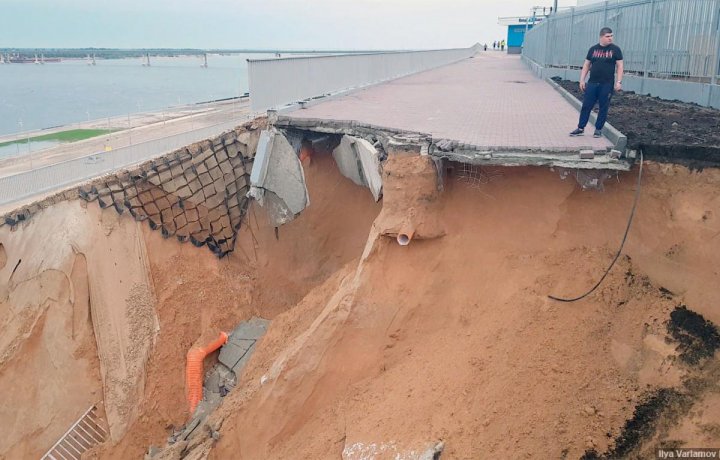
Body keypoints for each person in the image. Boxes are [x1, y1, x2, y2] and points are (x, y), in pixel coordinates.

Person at [570, 27, 624, 138]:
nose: (610, 38)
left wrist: (619, 81)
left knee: (603, 107)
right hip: (592, 83)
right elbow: (586, 65)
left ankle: (598, 129)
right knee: (586, 105)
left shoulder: (615, 50)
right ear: (601, 37)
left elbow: (620, 66)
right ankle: (581, 128)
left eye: (611, 36)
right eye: (607, 36)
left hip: (607, 84)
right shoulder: (593, 49)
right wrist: (582, 80)